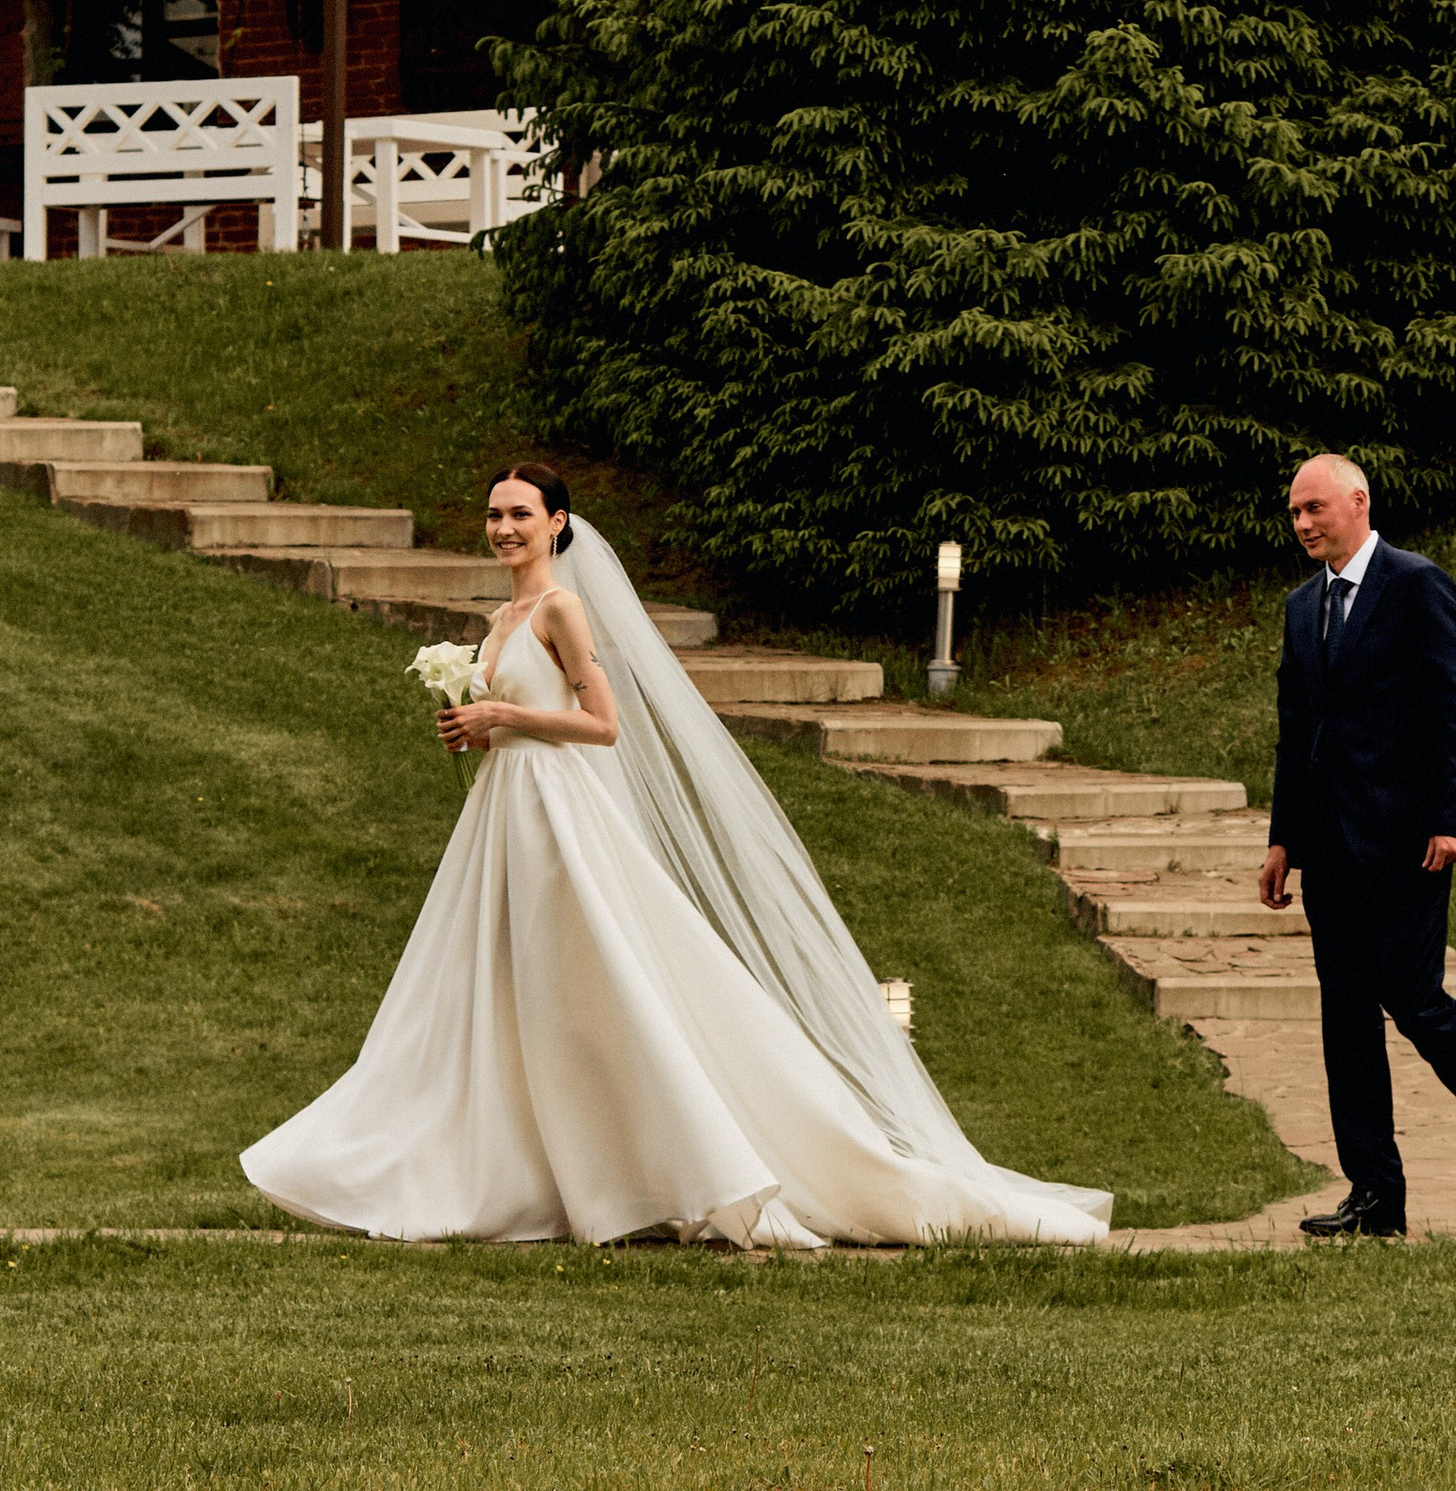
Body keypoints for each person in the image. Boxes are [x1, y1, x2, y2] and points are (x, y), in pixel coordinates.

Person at [242, 468, 1114, 1248]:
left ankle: (675, 1166)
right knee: (503, 997)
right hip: (505, 820)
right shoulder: (499, 618)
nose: (502, 528)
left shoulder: (560, 609)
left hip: (561, 826)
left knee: (597, 989)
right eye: (493, 514)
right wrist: (470, 729)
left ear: (558, 524)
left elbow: (603, 725)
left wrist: (506, 719)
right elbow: (516, 718)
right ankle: (521, 1168)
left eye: (520, 514)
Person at [1259, 452, 1456, 1239]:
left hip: (1411, 841)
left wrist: (1452, 817)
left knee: (1414, 1000)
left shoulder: (1416, 584)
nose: (1303, 524)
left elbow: (1455, 705)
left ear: (1358, 502)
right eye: (1294, 513)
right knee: (1345, 1017)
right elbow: (1296, 732)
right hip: (1329, 849)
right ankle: (1375, 1196)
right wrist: (1284, 839)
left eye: (1314, 508)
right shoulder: (1300, 606)